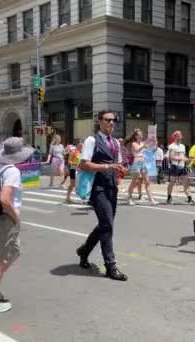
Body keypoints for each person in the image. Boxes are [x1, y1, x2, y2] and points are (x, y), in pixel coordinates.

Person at [0, 137, 33, 314]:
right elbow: (4, 199)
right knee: (0, 260)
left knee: (16, 250)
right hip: (5, 219)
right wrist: (16, 217)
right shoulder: (13, 172)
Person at [75, 110, 128, 281]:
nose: (111, 123)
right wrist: (107, 167)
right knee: (107, 225)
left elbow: (117, 164)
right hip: (97, 188)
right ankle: (110, 266)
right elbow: (84, 165)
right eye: (107, 120)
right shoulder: (92, 140)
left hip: (112, 187)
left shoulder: (115, 143)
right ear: (99, 121)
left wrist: (121, 170)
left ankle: (84, 251)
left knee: (106, 224)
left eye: (114, 120)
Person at [125, 129, 157, 206]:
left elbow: (151, 151)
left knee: (147, 181)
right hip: (136, 163)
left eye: (141, 134)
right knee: (134, 181)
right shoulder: (133, 144)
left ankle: (151, 199)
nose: (141, 136)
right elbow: (137, 150)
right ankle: (129, 198)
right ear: (136, 136)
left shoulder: (143, 143)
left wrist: (154, 143)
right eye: (139, 134)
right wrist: (145, 144)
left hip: (143, 162)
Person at [166, 131, 192, 204]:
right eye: (178, 135)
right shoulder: (172, 146)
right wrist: (180, 158)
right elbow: (171, 157)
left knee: (186, 183)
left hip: (182, 166)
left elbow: (183, 157)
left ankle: (189, 197)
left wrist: (189, 160)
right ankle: (169, 196)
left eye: (180, 135)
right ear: (175, 136)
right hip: (174, 166)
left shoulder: (183, 146)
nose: (180, 136)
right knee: (172, 182)